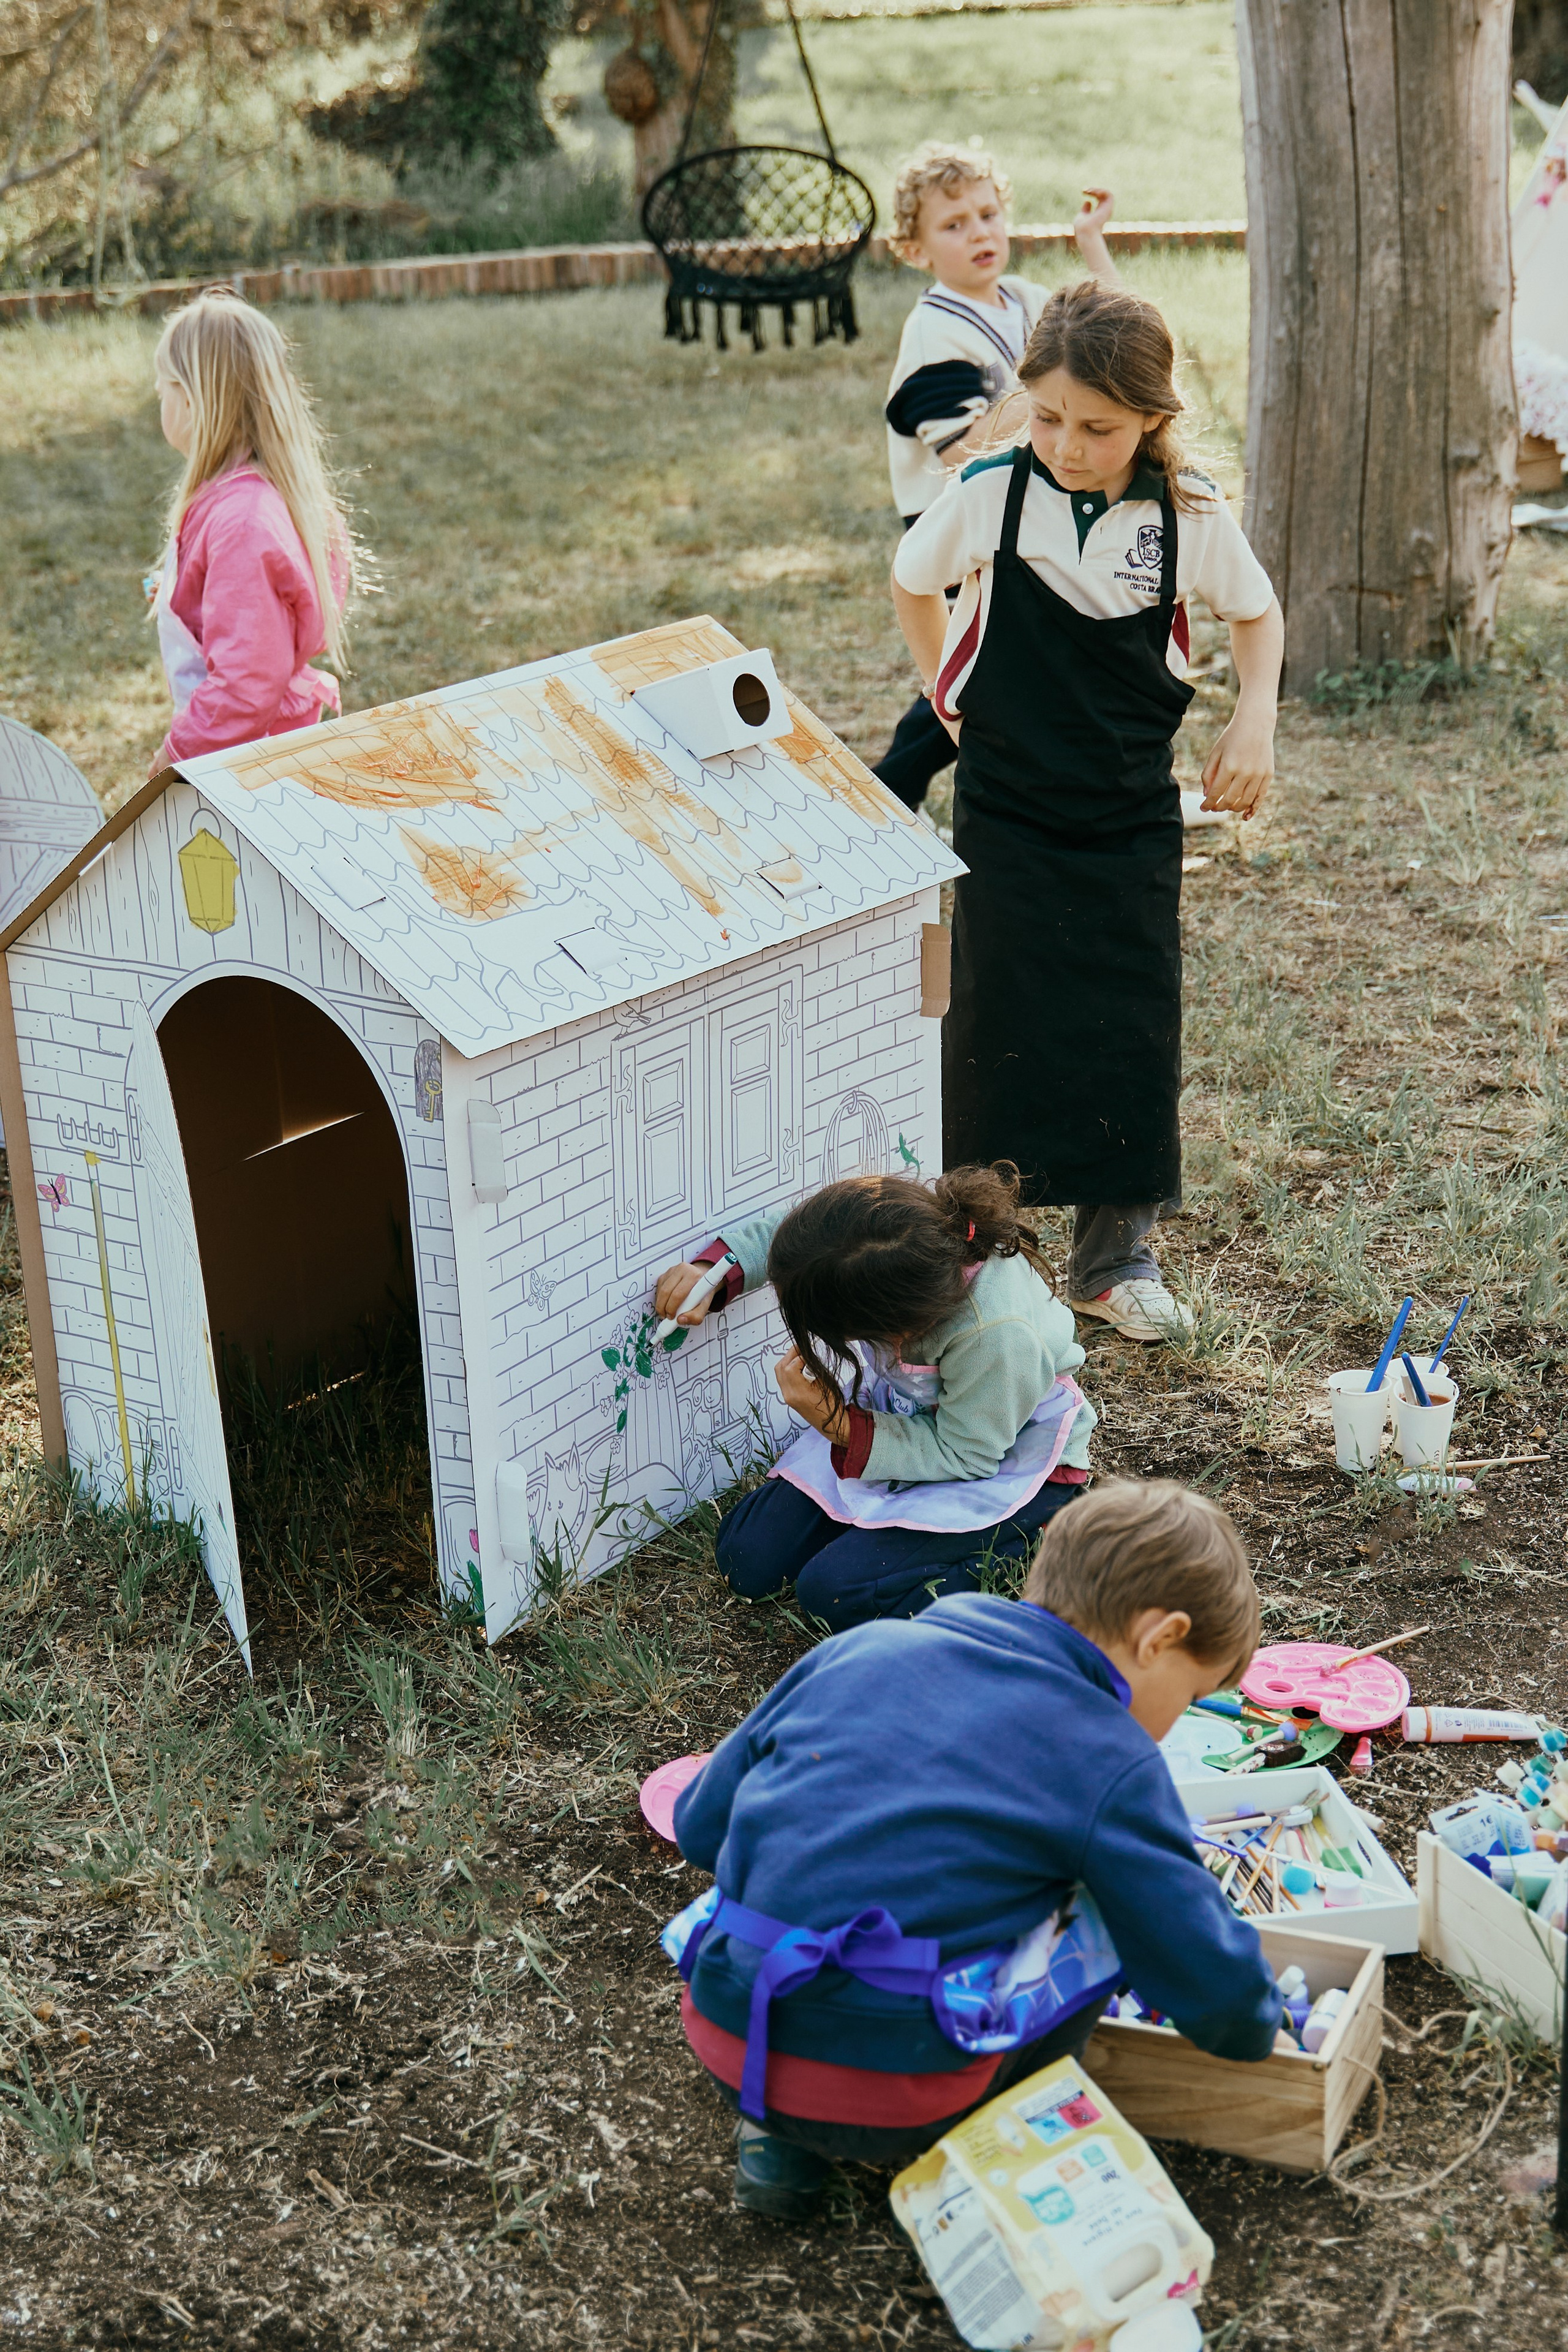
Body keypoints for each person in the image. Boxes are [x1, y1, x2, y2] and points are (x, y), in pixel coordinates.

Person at [663, 1479, 1284, 2217]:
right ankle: (1014, 2154)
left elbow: (701, 1827)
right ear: (1160, 1638)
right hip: (901, 2092)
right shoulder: (1107, 1756)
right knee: (1098, 1909)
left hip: (731, 2038)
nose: (1172, 1726)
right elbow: (1197, 1966)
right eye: (1186, 1698)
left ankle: (777, 2148)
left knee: (816, 1881)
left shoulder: (858, 1650)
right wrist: (1257, 2023)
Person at [891, 278, 1284, 1343]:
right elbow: (911, 578)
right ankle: (982, 1250)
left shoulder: (1188, 516)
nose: (1067, 444)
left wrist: (1256, 716)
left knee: (1128, 1018)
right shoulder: (989, 494)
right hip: (1008, 808)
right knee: (995, 1013)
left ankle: (1116, 1260)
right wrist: (945, 693)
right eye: (1051, 417)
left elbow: (1256, 614)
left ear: (1154, 418)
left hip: (1127, 814)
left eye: (1098, 427)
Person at [651, 1163, 1094, 1631]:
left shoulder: (996, 1337)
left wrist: (839, 1427)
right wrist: (716, 1271)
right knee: (747, 1558)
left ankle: (1037, 1530)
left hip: (1002, 1453)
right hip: (910, 1416)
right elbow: (803, 1245)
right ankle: (883, 1525)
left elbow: (968, 1453)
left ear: (892, 1324)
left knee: (834, 1595)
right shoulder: (890, 1236)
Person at [873, 143, 1121, 814]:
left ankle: (894, 790)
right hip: (956, 522)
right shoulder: (935, 331)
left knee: (1000, 662)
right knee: (986, 667)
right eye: (953, 225)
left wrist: (1089, 242)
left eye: (987, 214)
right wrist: (1039, 396)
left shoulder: (1029, 301)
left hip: (1016, 515)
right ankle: (891, 793)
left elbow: (1117, 331)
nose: (979, 232)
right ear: (915, 249)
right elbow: (958, 449)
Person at [147, 290, 355, 776]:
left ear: (194, 400)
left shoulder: (241, 521)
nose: (160, 401)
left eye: (163, 390)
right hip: (243, 747)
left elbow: (246, 682)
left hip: (248, 764)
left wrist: (177, 756)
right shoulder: (248, 498)